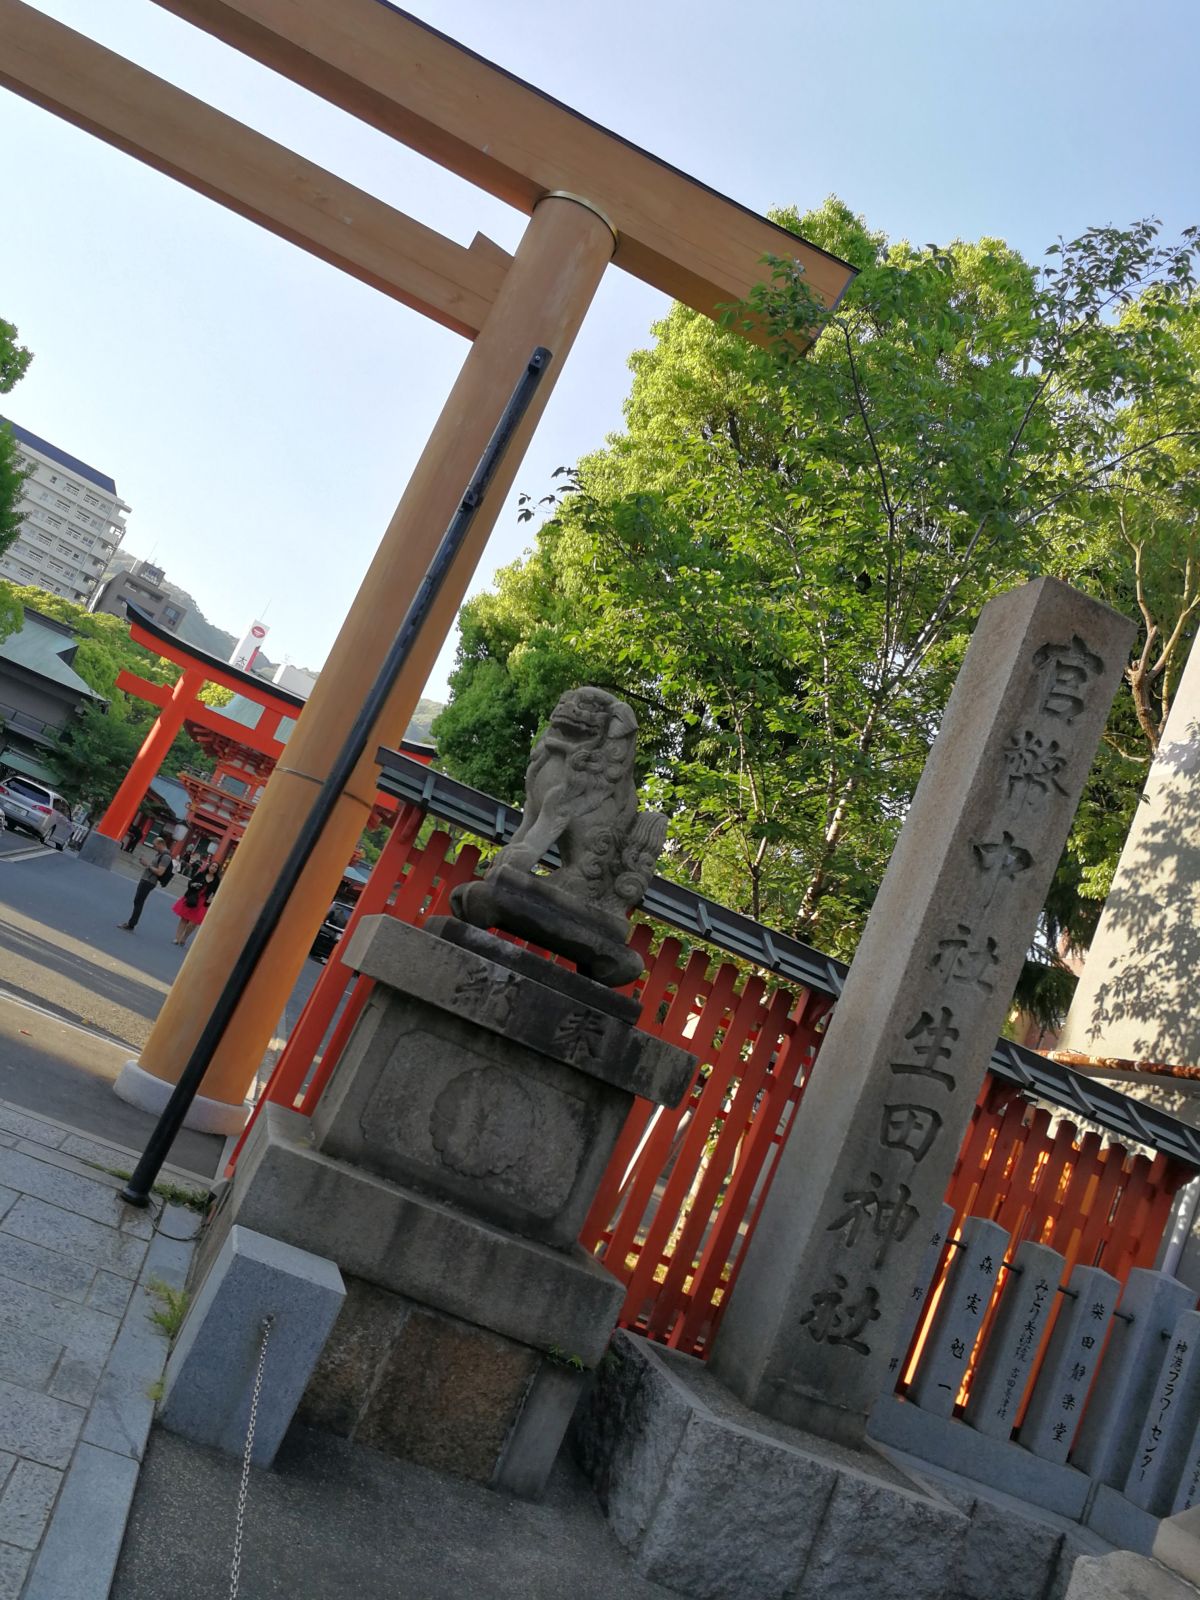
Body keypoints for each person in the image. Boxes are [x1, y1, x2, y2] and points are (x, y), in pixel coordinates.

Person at [119, 835, 174, 931]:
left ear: (161, 844)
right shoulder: (160, 854)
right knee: (138, 901)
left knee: (139, 902)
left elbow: (160, 872)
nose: (154, 847)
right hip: (146, 879)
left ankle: (131, 924)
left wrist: (147, 864)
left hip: (149, 881)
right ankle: (132, 922)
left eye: (155, 845)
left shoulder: (165, 857)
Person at [171, 859, 220, 946]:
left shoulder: (217, 880)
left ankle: (184, 937)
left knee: (193, 923)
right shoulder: (201, 874)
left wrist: (210, 900)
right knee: (184, 919)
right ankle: (177, 938)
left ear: (217, 870)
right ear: (209, 866)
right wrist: (193, 885)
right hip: (192, 897)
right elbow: (191, 882)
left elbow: (216, 892)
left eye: (216, 867)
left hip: (203, 902)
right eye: (212, 866)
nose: (213, 868)